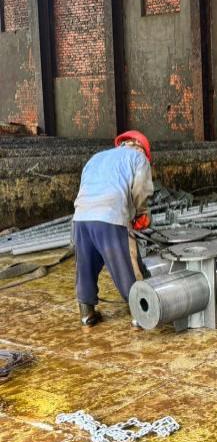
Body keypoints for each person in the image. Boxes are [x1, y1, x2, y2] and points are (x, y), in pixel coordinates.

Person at [72, 131, 154, 327]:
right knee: (124, 265)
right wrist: (141, 213)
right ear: (142, 148)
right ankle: (140, 312)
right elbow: (141, 190)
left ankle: (86, 313)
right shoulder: (139, 158)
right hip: (110, 216)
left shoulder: (96, 158)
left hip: (81, 217)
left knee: (85, 265)